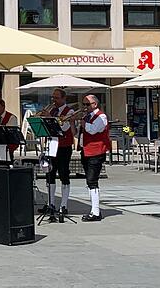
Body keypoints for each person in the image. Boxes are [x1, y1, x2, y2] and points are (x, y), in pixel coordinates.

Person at [39, 89, 78, 221]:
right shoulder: (54, 111)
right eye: (53, 97)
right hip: (51, 146)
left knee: (63, 174)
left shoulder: (69, 112)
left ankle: (64, 204)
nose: (53, 100)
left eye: (56, 98)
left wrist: (49, 116)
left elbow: (64, 128)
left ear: (63, 98)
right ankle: (51, 203)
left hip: (64, 147)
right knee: (50, 174)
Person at [80, 94, 109, 222]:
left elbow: (92, 130)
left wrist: (83, 122)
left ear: (95, 104)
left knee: (92, 181)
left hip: (96, 151)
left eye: (87, 104)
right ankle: (93, 209)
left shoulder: (101, 117)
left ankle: (96, 212)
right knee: (89, 180)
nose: (84, 107)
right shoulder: (88, 116)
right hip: (86, 151)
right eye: (84, 104)